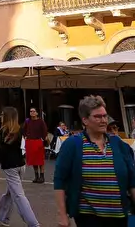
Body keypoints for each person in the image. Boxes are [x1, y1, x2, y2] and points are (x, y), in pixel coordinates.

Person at [55, 95, 135, 227]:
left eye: (105, 116)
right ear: (85, 120)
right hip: (88, 217)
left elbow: (132, 180)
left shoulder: (118, 144)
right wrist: (62, 214)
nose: (103, 120)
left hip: (120, 215)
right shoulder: (73, 145)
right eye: (97, 117)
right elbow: (60, 180)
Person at [0, 107, 38, 227]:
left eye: (2, 115)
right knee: (11, 193)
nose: (0, 117)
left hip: (10, 167)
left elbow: (2, 151)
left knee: (19, 196)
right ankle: (3, 217)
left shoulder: (3, 131)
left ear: (6, 117)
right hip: (21, 165)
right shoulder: (19, 130)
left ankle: (33, 223)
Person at [23, 107, 48, 183]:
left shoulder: (40, 121)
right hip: (30, 142)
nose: (32, 113)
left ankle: (42, 176)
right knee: (33, 160)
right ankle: (36, 176)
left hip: (38, 142)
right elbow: (23, 130)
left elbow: (45, 131)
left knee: (40, 160)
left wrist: (44, 139)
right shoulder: (28, 121)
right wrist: (25, 136)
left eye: (34, 111)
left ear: (37, 113)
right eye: (31, 111)